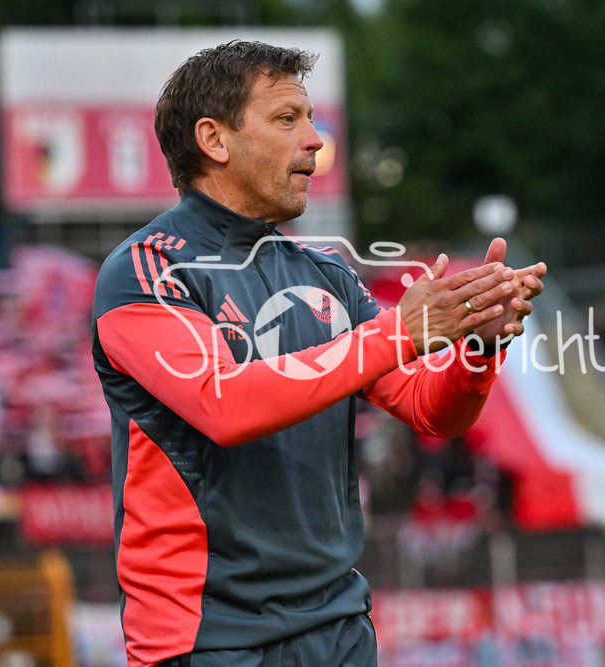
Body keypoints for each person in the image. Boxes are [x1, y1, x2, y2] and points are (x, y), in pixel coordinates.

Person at [91, 40, 545, 667]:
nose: (314, 140)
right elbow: (223, 404)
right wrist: (400, 333)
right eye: (287, 119)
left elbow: (429, 410)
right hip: (209, 640)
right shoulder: (145, 270)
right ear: (214, 139)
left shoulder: (325, 272)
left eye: (311, 119)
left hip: (338, 629)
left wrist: (478, 344)